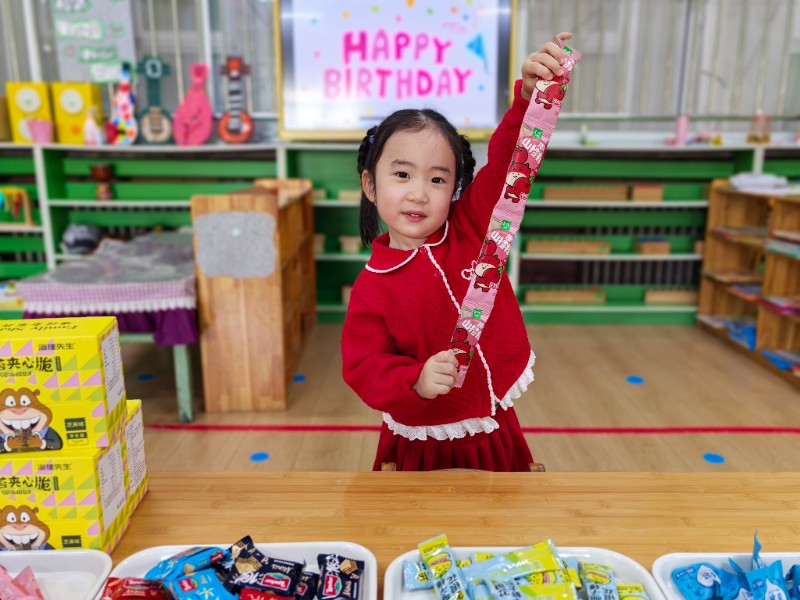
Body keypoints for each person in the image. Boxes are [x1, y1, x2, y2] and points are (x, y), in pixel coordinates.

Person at [342, 33, 573, 471]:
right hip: (423, 441)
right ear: (370, 184)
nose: (418, 194)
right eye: (402, 175)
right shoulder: (372, 287)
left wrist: (528, 98)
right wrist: (415, 379)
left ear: (454, 189)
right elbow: (363, 366)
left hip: (493, 429)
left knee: (501, 512)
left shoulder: (471, 227)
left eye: (437, 179)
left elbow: (507, 163)